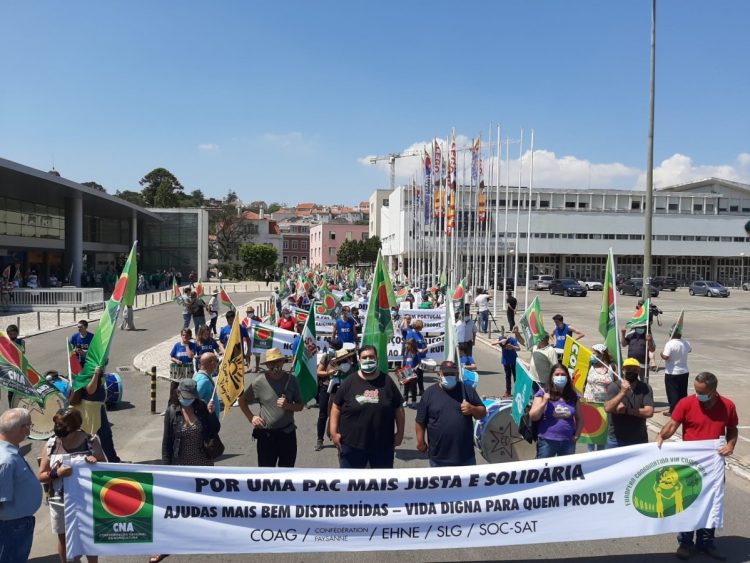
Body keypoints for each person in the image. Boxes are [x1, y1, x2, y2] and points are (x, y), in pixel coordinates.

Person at [657, 372, 738, 561]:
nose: (697, 395)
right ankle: (685, 543)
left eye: (701, 392)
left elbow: (732, 429)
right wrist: (661, 437)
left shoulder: (728, 406)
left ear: (713, 391)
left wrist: (731, 445)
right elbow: (672, 424)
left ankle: (707, 542)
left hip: (714, 464)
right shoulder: (687, 403)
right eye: (695, 390)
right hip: (690, 465)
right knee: (687, 502)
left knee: (712, 502)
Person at [154, 379, 220, 563]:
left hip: (203, 464)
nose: (188, 401)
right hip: (180, 466)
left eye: (191, 398)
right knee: (175, 508)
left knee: (203, 503)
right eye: (185, 397)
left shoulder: (201, 407)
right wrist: (166, 471)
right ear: (178, 394)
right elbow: (166, 443)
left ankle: (202, 537)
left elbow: (215, 430)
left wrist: (212, 414)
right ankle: (166, 545)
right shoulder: (172, 412)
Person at [38, 408, 105, 563]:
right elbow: (42, 476)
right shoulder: (51, 444)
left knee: (88, 536)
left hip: (86, 501)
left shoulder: (91, 441)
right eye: (56, 424)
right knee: (63, 539)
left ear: (74, 426)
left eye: (61, 424)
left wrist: (96, 462)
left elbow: (105, 469)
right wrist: (57, 474)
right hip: (59, 501)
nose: (57, 428)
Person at [330, 345, 405, 469]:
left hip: (382, 446)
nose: (368, 359)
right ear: (359, 360)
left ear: (377, 359)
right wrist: (333, 432)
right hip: (352, 445)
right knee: (351, 484)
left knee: (381, 485)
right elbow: (336, 406)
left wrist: (400, 433)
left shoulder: (387, 381)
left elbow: (398, 408)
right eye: (364, 357)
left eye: (371, 356)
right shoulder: (349, 382)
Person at [238, 348, 303, 467]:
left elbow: (300, 406)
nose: (275, 365)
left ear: (283, 362)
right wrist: (251, 417)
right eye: (271, 362)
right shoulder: (259, 381)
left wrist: (288, 405)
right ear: (267, 365)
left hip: (287, 435)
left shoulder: (291, 380)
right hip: (266, 436)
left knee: (286, 473)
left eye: (278, 361)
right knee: (266, 474)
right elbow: (242, 400)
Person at [415, 360, 486, 467]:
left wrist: (472, 409)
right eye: (446, 374)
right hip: (438, 458)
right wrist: (421, 442)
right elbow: (420, 421)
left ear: (457, 374)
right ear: (439, 375)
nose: (449, 376)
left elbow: (482, 413)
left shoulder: (467, 390)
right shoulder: (429, 393)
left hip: (465, 457)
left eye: (452, 374)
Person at [0, 408, 42, 563]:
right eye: (29, 426)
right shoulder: (6, 460)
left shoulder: (9, 452)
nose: (29, 429)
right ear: (22, 429)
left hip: (16, 525)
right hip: (11, 527)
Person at [529, 364, 583, 458]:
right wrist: (544, 402)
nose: (560, 377)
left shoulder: (573, 396)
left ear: (567, 377)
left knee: (566, 470)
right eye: (557, 374)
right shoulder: (543, 393)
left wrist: (577, 435)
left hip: (568, 441)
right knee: (544, 470)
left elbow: (580, 418)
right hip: (547, 441)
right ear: (551, 377)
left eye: (563, 374)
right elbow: (533, 416)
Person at [71, 366, 121, 463]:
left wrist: (102, 375)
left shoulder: (96, 365)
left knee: (105, 435)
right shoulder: (87, 369)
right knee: (88, 436)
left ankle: (113, 461)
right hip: (89, 408)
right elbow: (90, 390)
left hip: (98, 407)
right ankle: (86, 461)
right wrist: (96, 373)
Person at [603, 358, 654, 448]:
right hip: (616, 439)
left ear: (638, 370)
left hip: (638, 439)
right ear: (623, 370)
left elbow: (649, 412)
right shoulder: (614, 386)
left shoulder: (645, 387)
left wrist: (626, 411)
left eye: (634, 370)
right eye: (628, 369)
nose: (631, 372)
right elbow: (607, 408)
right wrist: (622, 392)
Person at [583, 343, 618, 451]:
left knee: (602, 438)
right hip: (590, 405)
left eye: (594, 353)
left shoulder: (611, 367)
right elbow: (581, 381)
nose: (591, 355)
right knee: (590, 439)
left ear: (601, 355)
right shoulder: (589, 365)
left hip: (605, 407)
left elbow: (616, 384)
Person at [661, 326, 692, 416]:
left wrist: (661, 354)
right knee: (683, 392)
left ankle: (673, 411)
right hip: (684, 371)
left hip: (672, 372)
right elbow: (690, 350)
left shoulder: (670, 344)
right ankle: (684, 410)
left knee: (673, 393)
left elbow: (666, 357)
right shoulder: (685, 342)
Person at [493, 327, 522, 398]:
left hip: (513, 361)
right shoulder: (500, 339)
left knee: (516, 377)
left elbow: (519, 349)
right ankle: (508, 391)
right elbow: (492, 343)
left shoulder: (512, 340)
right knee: (508, 377)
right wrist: (499, 342)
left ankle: (518, 391)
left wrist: (512, 346)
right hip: (506, 361)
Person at [406, 320, 428, 396]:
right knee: (411, 375)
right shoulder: (410, 333)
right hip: (413, 358)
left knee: (420, 375)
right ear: (417, 327)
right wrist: (418, 350)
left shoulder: (419, 333)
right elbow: (410, 345)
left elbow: (422, 342)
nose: (422, 329)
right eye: (421, 327)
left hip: (420, 357)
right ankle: (409, 391)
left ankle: (421, 390)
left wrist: (425, 348)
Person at [242, 306, 263, 372]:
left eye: (251, 312)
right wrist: (246, 328)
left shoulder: (258, 319)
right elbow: (242, 329)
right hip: (247, 339)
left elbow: (262, 327)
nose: (250, 313)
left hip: (256, 339)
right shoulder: (244, 320)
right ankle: (248, 367)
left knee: (257, 354)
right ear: (247, 313)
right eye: (248, 312)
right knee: (247, 354)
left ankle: (257, 367)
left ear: (253, 312)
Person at [400, 338, 420, 408]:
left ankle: (414, 401)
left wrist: (415, 368)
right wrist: (402, 371)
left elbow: (419, 363)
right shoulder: (406, 352)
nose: (406, 345)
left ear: (412, 345)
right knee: (406, 387)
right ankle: (405, 401)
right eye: (407, 344)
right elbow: (404, 362)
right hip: (406, 371)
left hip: (413, 372)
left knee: (413, 387)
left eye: (408, 344)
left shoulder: (417, 353)